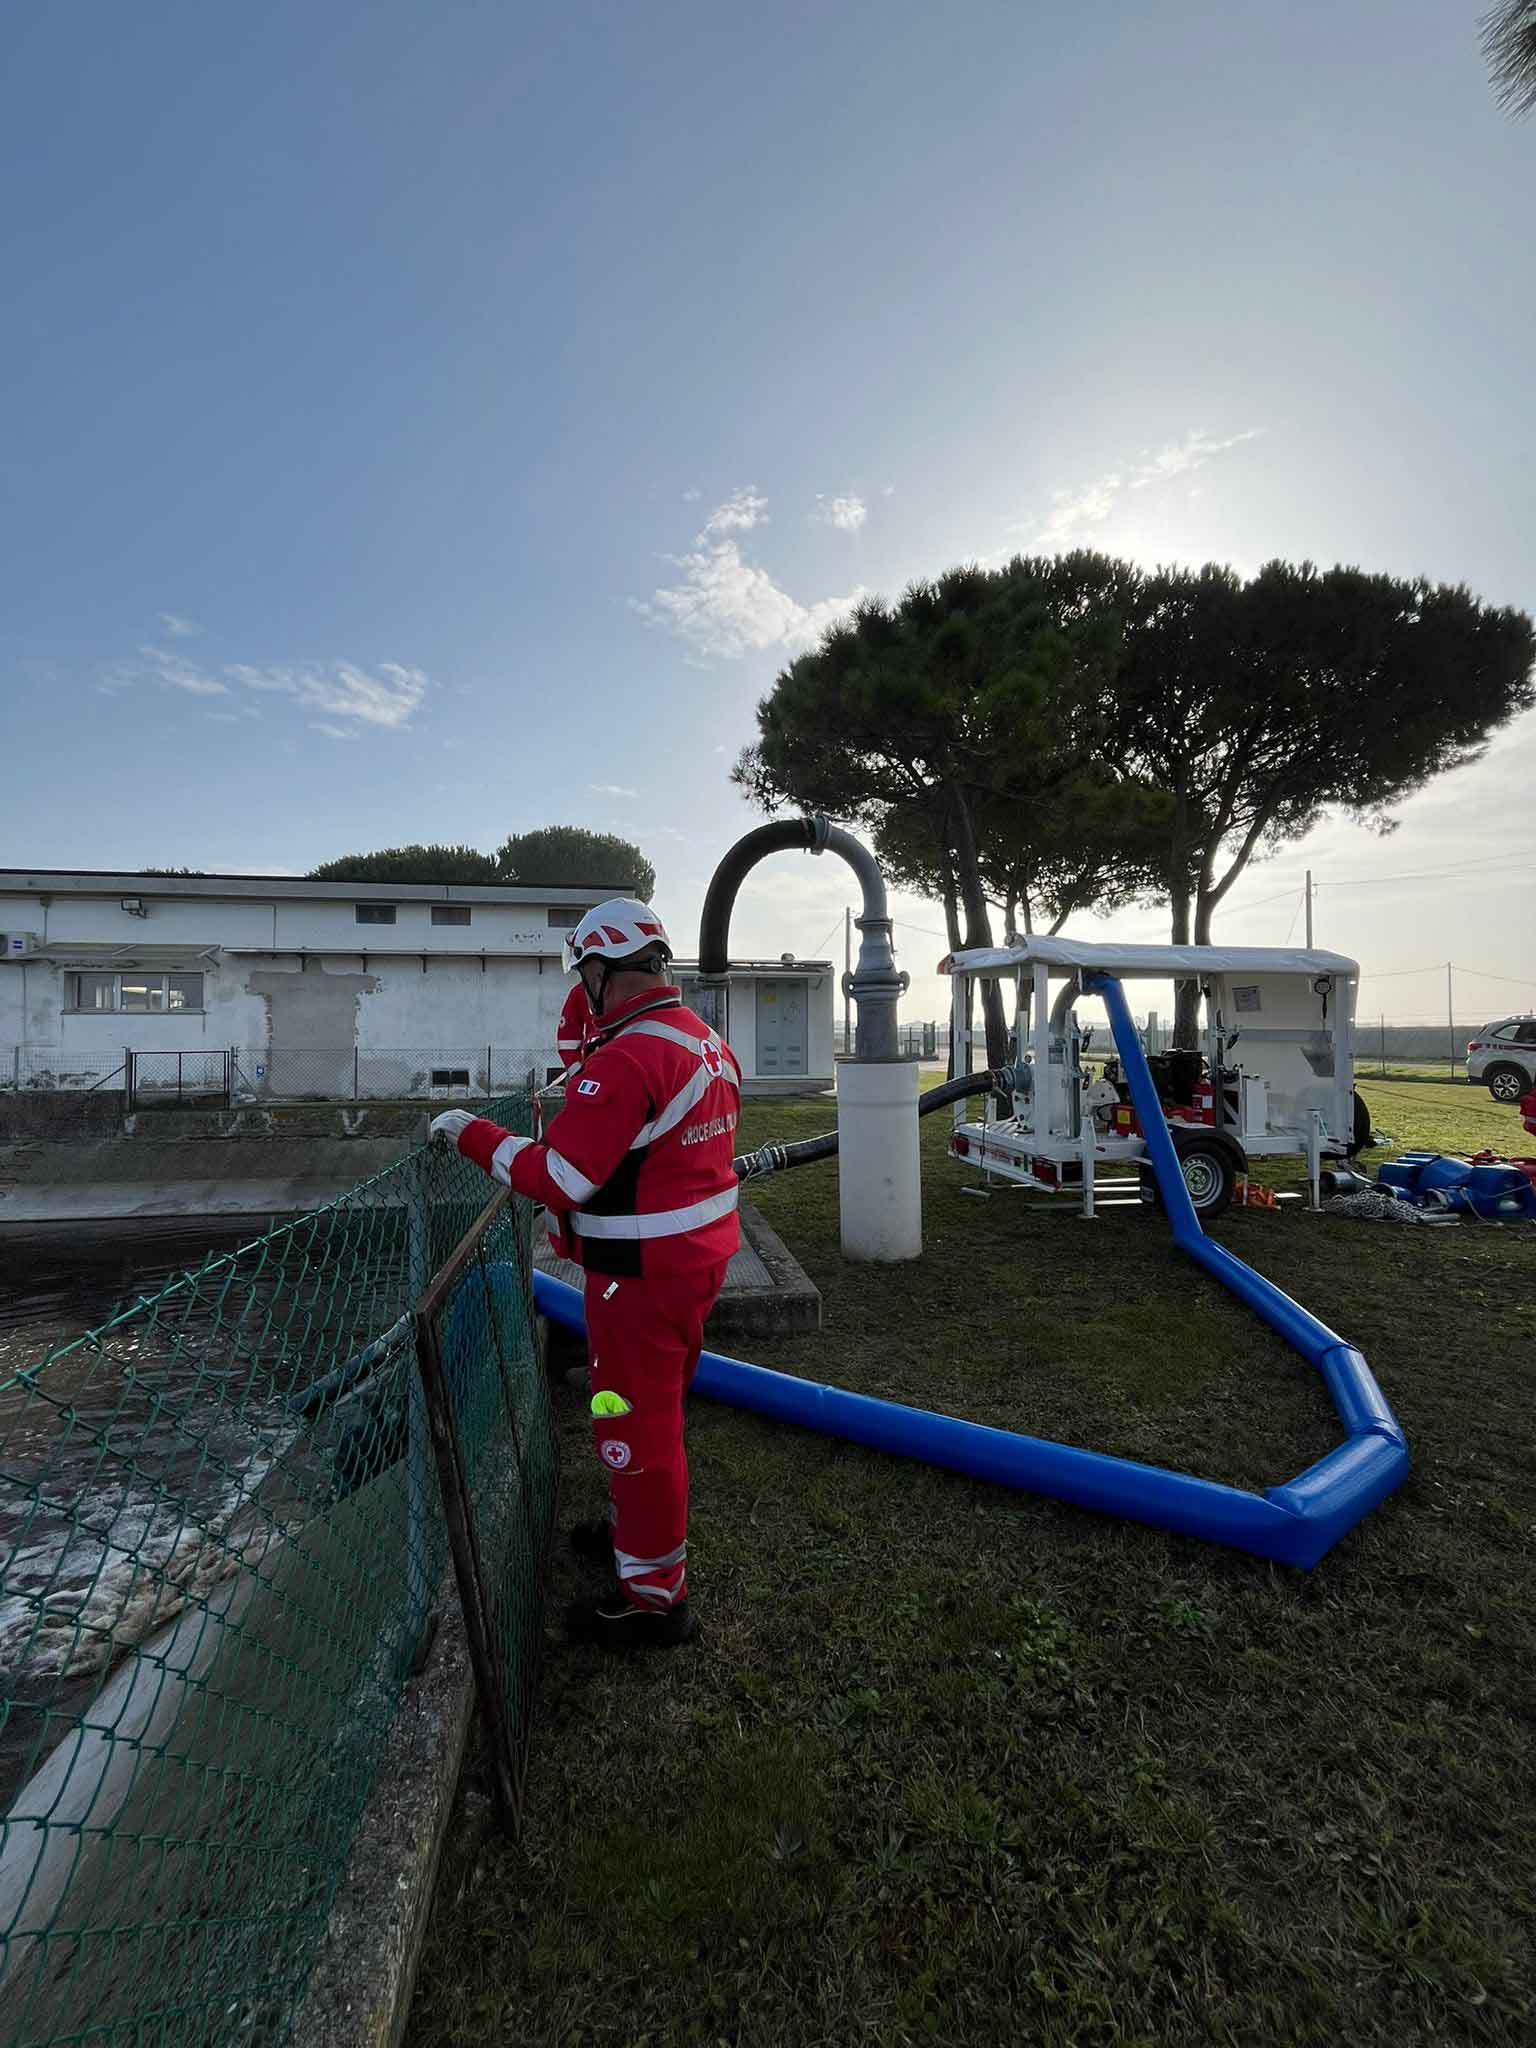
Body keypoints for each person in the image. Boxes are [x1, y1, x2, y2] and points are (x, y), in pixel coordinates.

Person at [431, 897, 741, 1650]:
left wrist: (470, 1133)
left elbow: (561, 1177)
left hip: (639, 1278)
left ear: (602, 970)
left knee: (635, 1429)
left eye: (584, 977)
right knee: (650, 1413)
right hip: (688, 1265)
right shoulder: (702, 1040)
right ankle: (635, 1535)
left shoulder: (629, 1057)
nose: (582, 993)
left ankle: (654, 1601)